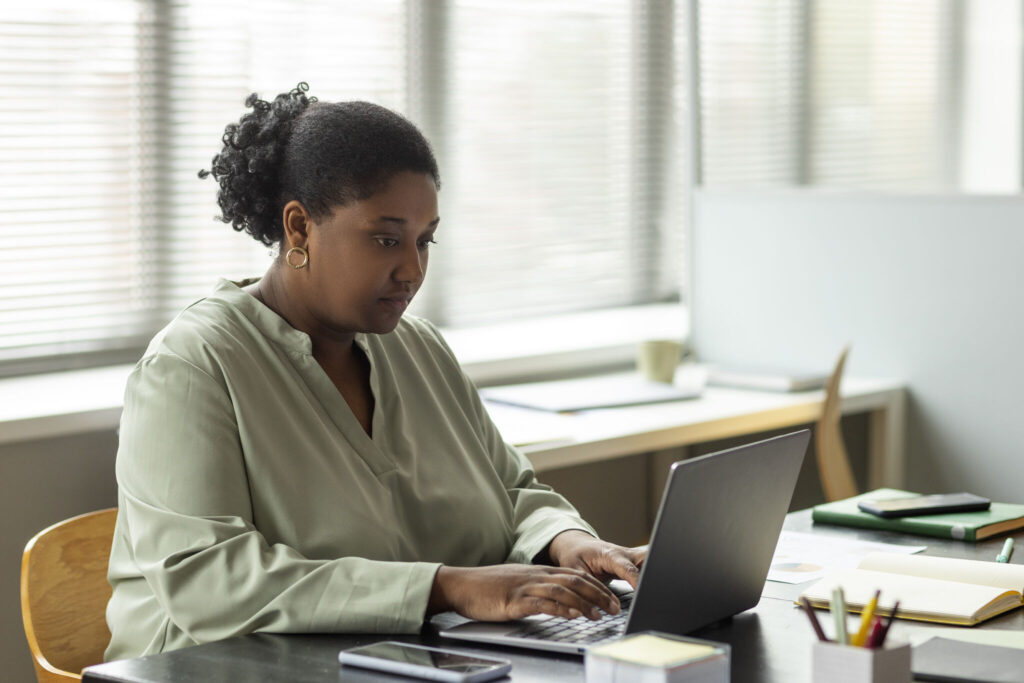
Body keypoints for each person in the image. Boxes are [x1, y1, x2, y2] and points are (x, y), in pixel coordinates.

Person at [105, 83, 646, 661]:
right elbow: (209, 583)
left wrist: (567, 541)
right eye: (386, 239)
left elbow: (511, 491)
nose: (412, 269)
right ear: (298, 228)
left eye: (425, 240)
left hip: (405, 659)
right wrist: (449, 589)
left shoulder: (419, 348)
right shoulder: (193, 367)